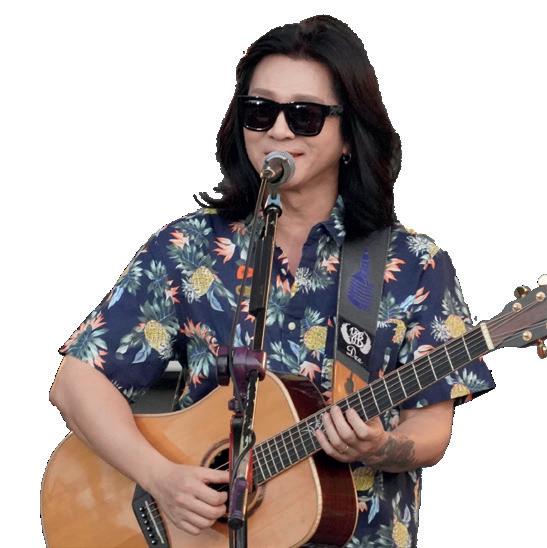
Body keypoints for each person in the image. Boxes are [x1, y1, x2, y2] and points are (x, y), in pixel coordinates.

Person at [50, 14, 496, 547]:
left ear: (349, 134)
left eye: (305, 116)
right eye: (260, 111)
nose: (278, 131)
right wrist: (162, 478)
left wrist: (380, 446)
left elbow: (431, 430)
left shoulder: (414, 264)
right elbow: (76, 384)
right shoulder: (189, 247)